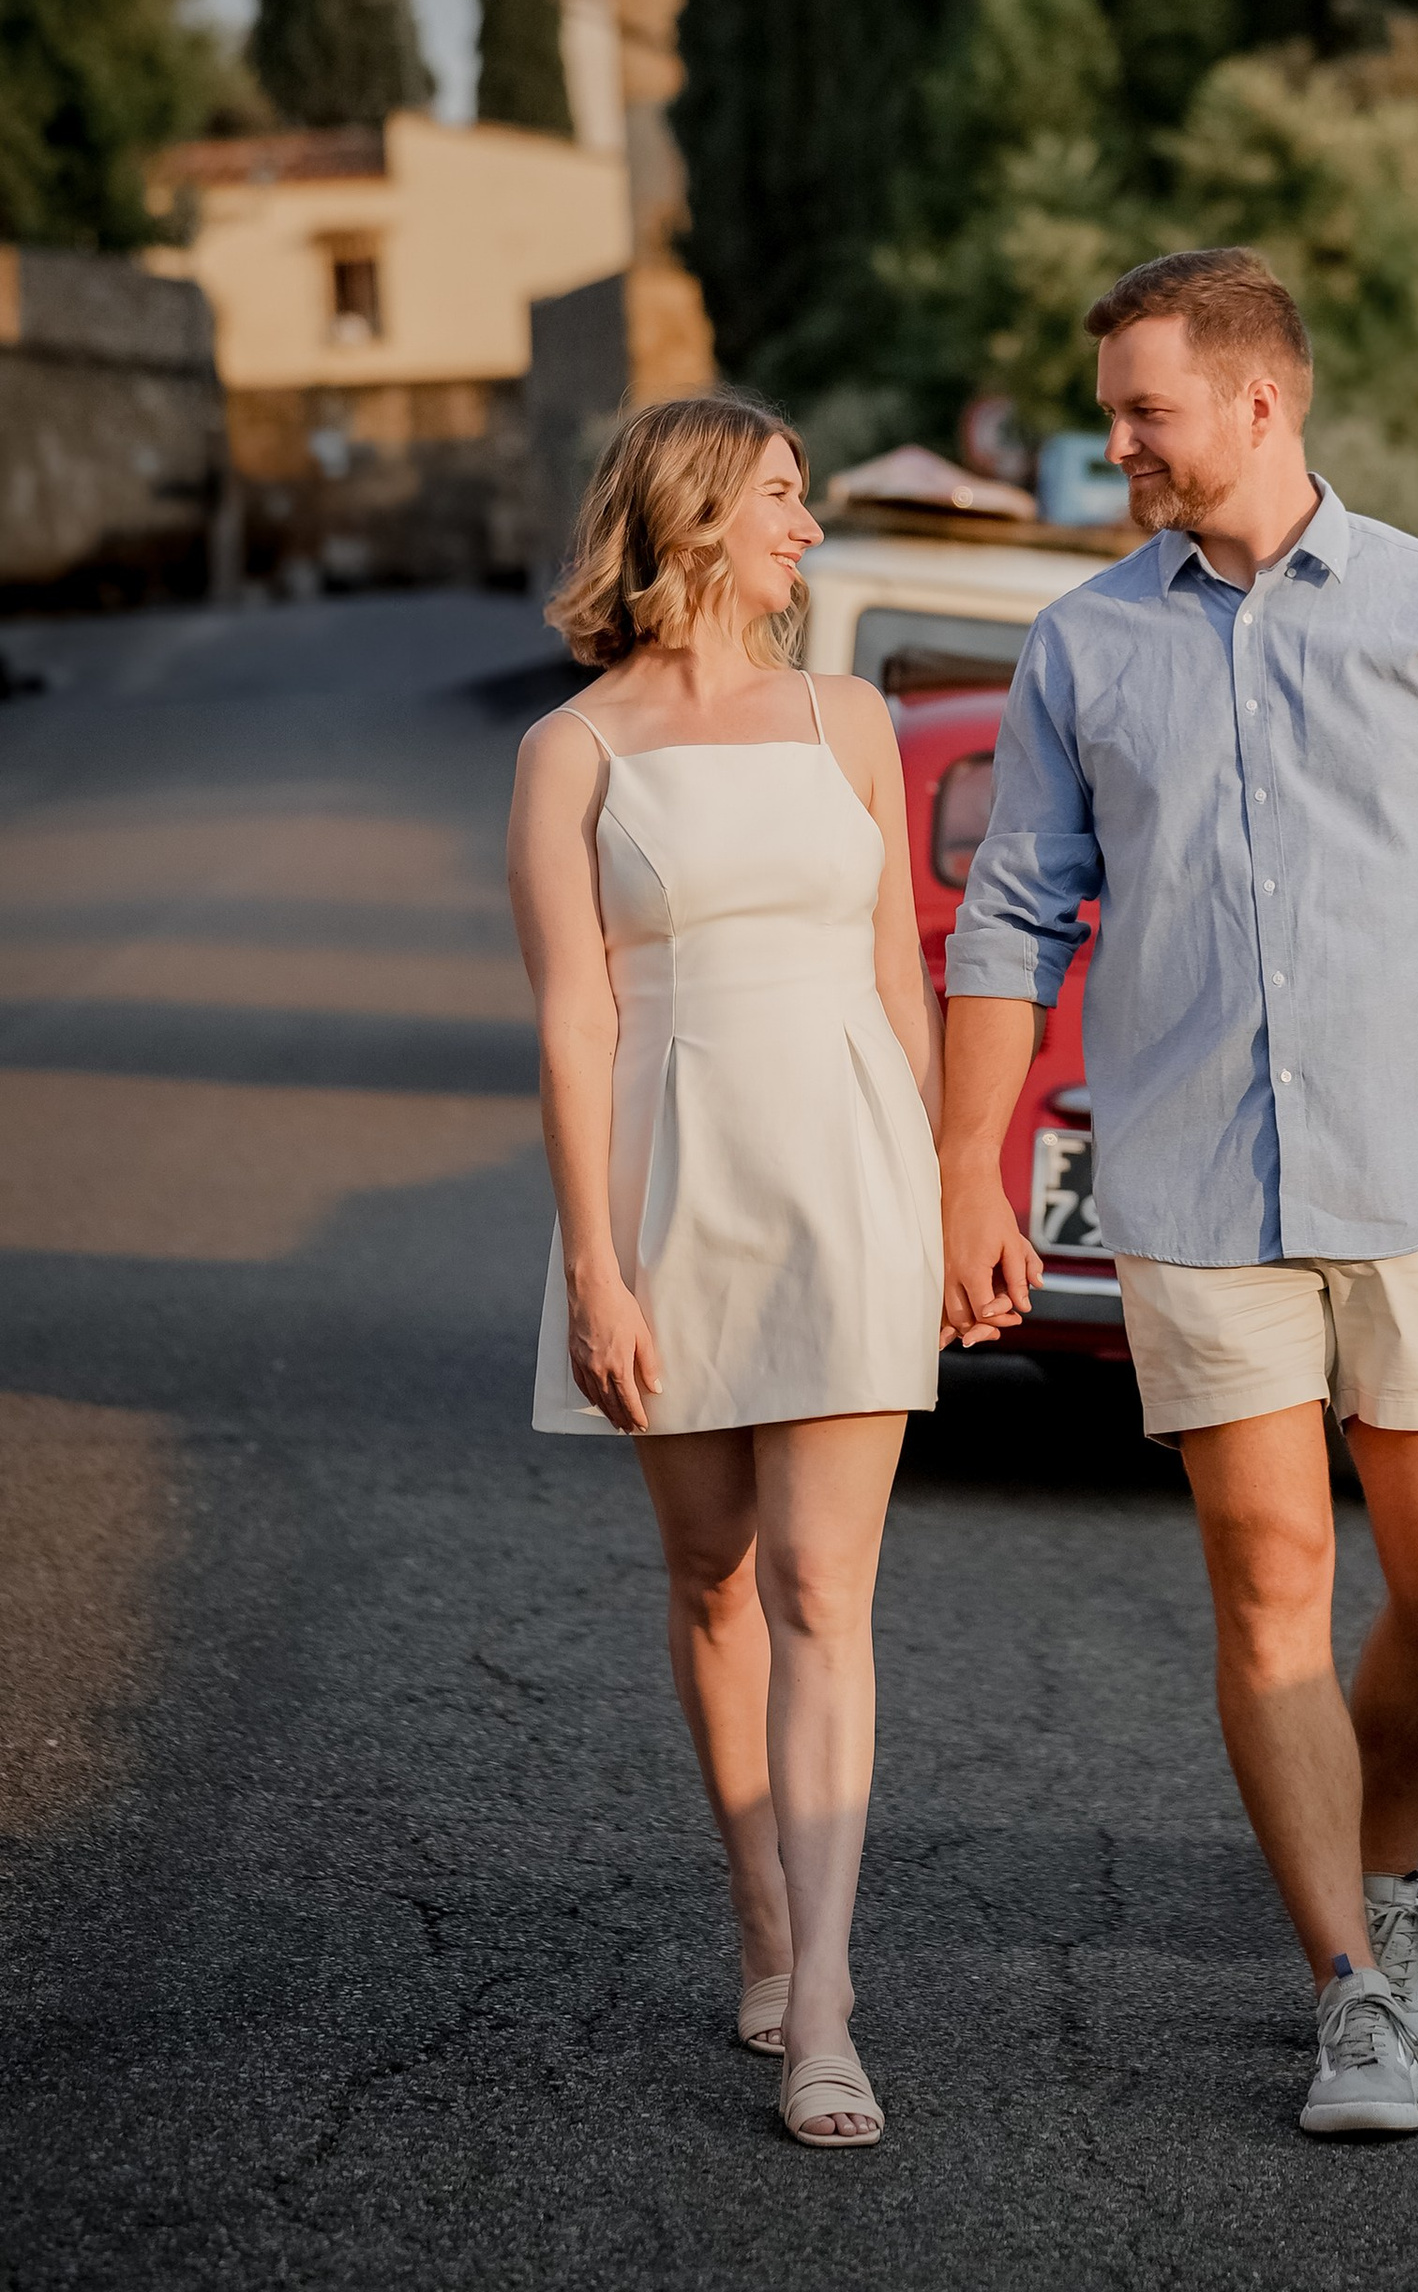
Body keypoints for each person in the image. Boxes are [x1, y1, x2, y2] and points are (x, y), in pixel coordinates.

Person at [941, 247, 1418, 2140]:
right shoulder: (1084, 645)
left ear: (1258, 401)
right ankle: (1346, 1993)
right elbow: (1012, 915)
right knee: (1273, 1590)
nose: (1118, 447)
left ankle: (1384, 1881)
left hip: (1417, 1174)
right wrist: (965, 1171)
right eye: (1112, 415)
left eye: (1143, 413)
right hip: (1195, 1187)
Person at [513, 394, 943, 2152]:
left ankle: (824, 2000)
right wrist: (595, 1270)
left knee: (826, 1590)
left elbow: (899, 981)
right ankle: (760, 1910)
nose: (807, 530)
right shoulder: (571, 751)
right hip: (669, 1181)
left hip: (847, 1167)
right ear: (692, 516)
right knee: (714, 1579)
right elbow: (574, 1021)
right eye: (782, 496)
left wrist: (940, 1196)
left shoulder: (853, 719)